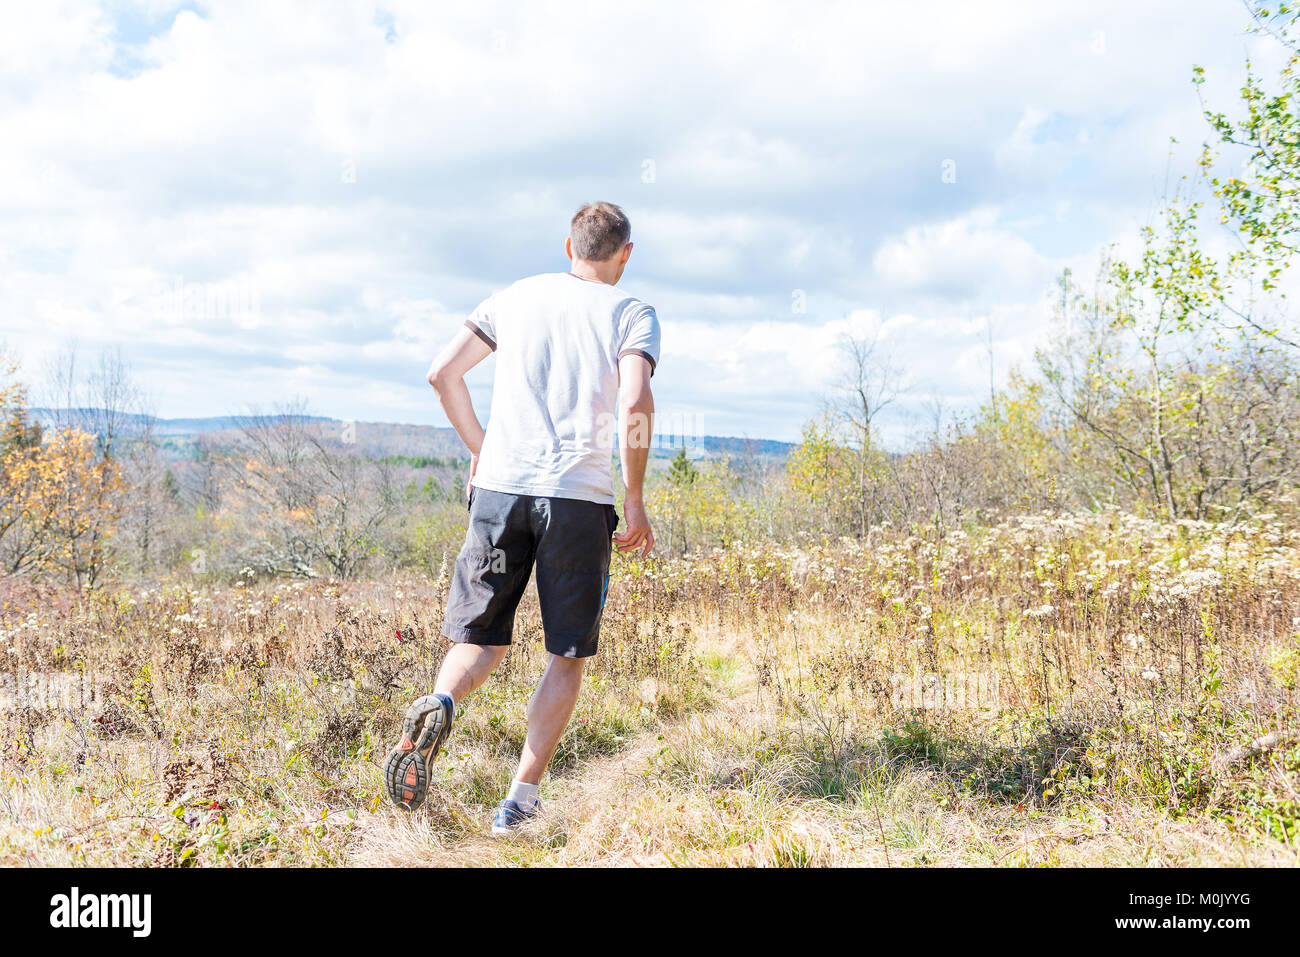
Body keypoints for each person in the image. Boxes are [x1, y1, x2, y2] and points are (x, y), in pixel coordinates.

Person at [383, 201, 660, 836]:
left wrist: (484, 451)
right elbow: (635, 398)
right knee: (566, 654)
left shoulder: (513, 297)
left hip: (500, 492)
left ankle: (441, 702)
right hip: (578, 500)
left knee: (479, 639)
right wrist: (637, 497)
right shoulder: (631, 313)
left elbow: (441, 373)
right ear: (625, 253)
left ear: (568, 249)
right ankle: (519, 800)